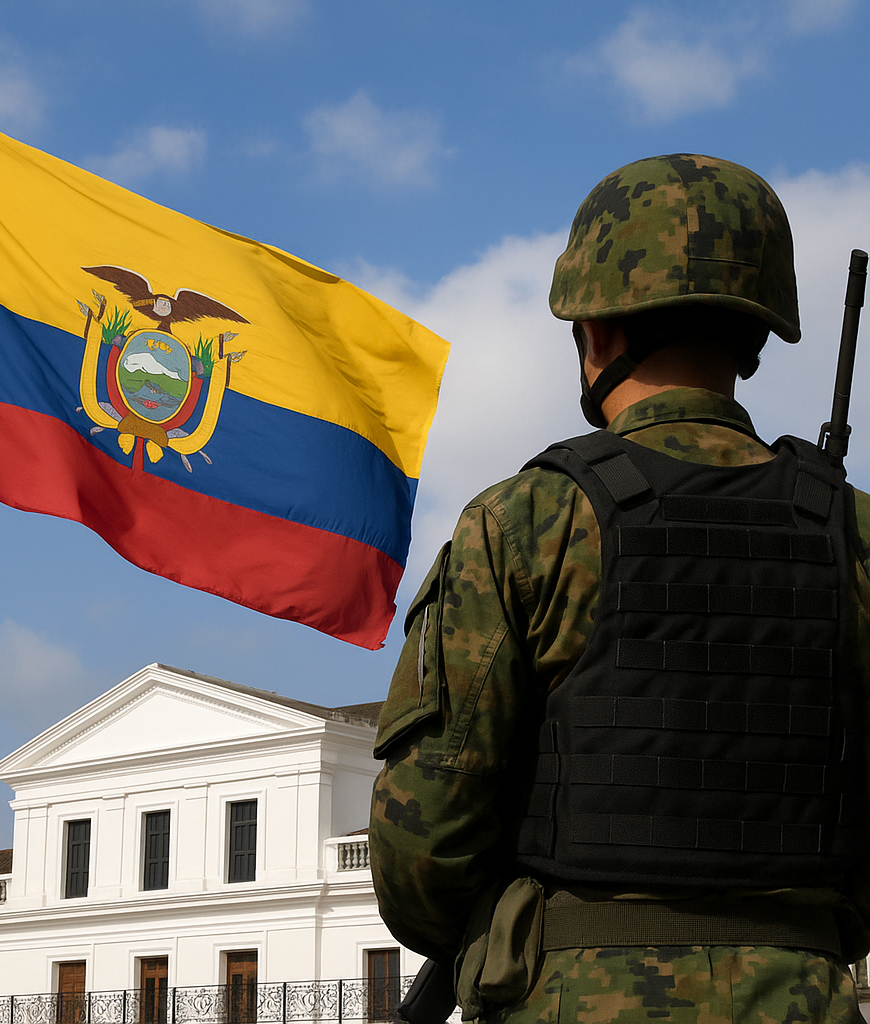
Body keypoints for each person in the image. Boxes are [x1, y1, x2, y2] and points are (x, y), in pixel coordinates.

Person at [369, 153, 870, 1024]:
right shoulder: (854, 532)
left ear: (594, 331)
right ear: (753, 337)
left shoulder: (527, 521)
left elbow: (422, 851)